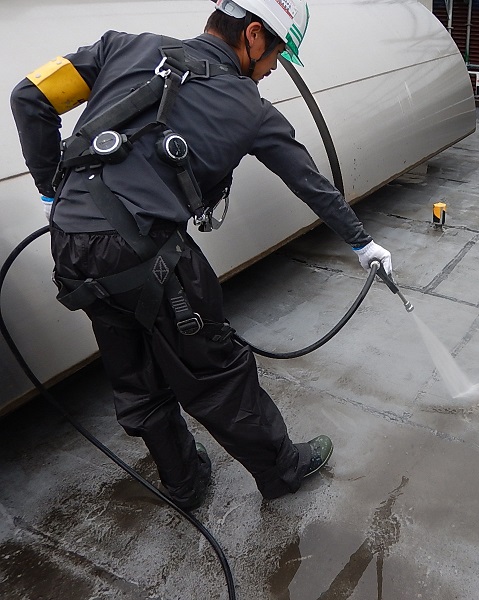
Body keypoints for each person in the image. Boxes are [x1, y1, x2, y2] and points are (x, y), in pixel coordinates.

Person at [10, 0, 393, 510]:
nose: (275, 67)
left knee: (133, 369)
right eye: (277, 53)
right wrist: (364, 243)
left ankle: (184, 481)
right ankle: (283, 470)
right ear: (253, 36)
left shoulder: (120, 46)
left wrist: (51, 193)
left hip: (72, 245)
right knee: (218, 375)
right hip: (149, 256)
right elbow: (308, 180)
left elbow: (29, 97)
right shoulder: (253, 111)